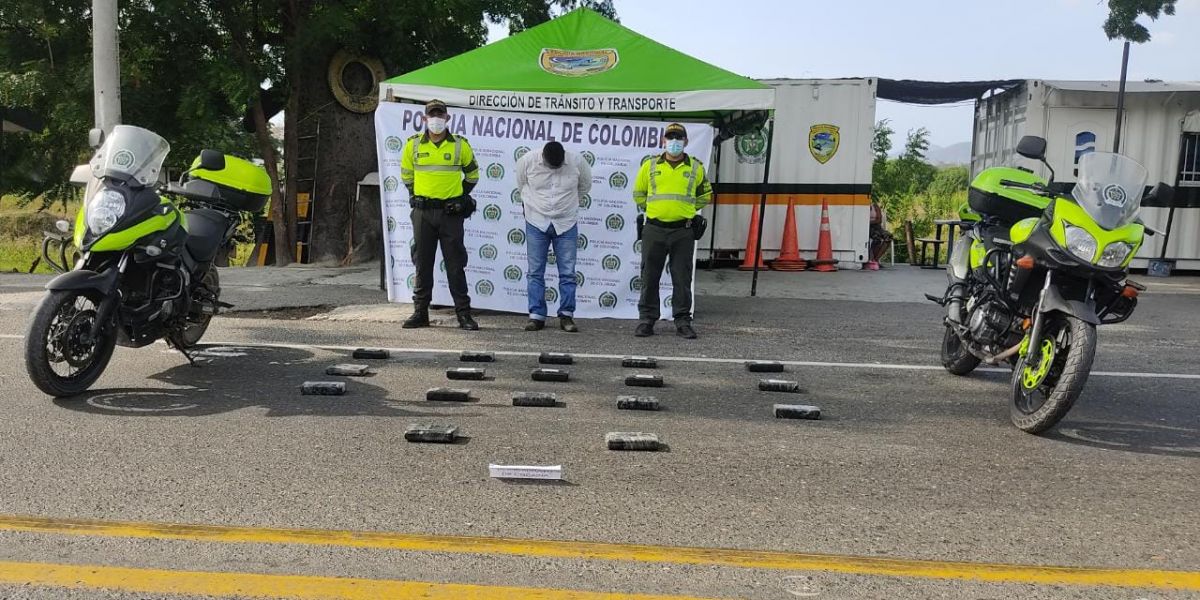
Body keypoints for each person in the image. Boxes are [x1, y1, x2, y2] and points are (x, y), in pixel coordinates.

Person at [399, 100, 481, 330]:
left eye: (440, 114)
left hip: (450, 214)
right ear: (424, 119)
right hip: (423, 212)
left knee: (455, 265)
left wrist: (461, 198)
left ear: (447, 118)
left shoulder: (459, 145)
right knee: (422, 264)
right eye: (431, 115)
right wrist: (415, 194)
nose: (436, 119)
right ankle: (420, 313)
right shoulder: (412, 145)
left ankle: (464, 314)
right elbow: (406, 175)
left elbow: (473, 175)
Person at [631, 123, 712, 339]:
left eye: (678, 138)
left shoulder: (696, 167)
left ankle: (683, 321)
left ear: (686, 142)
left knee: (682, 278)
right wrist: (656, 210)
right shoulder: (649, 166)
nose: (674, 142)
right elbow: (638, 193)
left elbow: (705, 195)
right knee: (649, 276)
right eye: (670, 137)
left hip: (682, 232)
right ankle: (647, 320)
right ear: (663, 141)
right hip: (654, 229)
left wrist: (685, 210)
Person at [516, 141, 592, 333]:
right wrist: (531, 207)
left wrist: (568, 207)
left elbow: (585, 187)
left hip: (566, 222)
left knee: (567, 272)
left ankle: (566, 316)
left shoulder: (577, 162)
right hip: (536, 221)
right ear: (543, 157)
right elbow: (522, 185)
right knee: (535, 271)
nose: (554, 169)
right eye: (551, 166)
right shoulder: (527, 161)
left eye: (557, 167)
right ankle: (536, 316)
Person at [867, 200, 892, 271]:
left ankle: (876, 260)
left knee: (888, 237)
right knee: (877, 239)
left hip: (877, 227)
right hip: (868, 228)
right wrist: (872, 221)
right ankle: (872, 260)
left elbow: (879, 220)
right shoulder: (862, 207)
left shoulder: (875, 206)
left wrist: (869, 221)